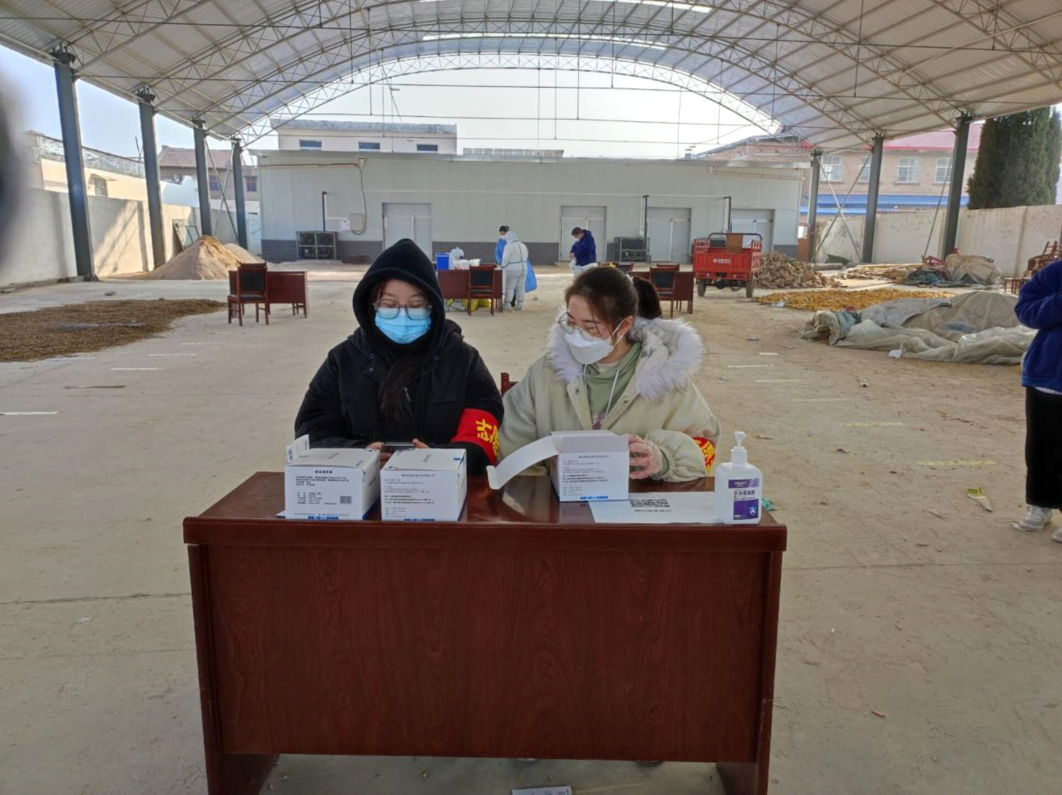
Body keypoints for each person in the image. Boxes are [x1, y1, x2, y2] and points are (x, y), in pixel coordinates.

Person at [295, 238, 503, 474]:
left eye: (415, 305)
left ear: (432, 308)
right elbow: (311, 431)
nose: (402, 314)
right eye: (389, 304)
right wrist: (359, 453)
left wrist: (441, 457)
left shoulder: (462, 359)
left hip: (444, 483)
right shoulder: (343, 361)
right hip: (362, 487)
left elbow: (485, 426)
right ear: (372, 305)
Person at [499, 267, 719, 481]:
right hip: (554, 501)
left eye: (590, 327)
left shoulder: (666, 378)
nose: (577, 335)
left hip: (635, 501)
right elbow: (512, 445)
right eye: (571, 323)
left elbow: (704, 444)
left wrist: (664, 460)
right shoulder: (545, 374)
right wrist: (543, 493)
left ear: (624, 326)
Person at [1013, 259, 1062, 541]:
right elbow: (1025, 310)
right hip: (1047, 376)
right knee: (1041, 447)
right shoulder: (1055, 273)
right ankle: (1040, 504)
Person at [500, 230, 529, 311]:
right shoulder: (523, 245)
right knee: (521, 287)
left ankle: (507, 304)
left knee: (510, 287)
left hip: (513, 269)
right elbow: (526, 256)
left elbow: (505, 258)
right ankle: (520, 304)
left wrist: (503, 266)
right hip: (524, 267)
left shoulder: (509, 246)